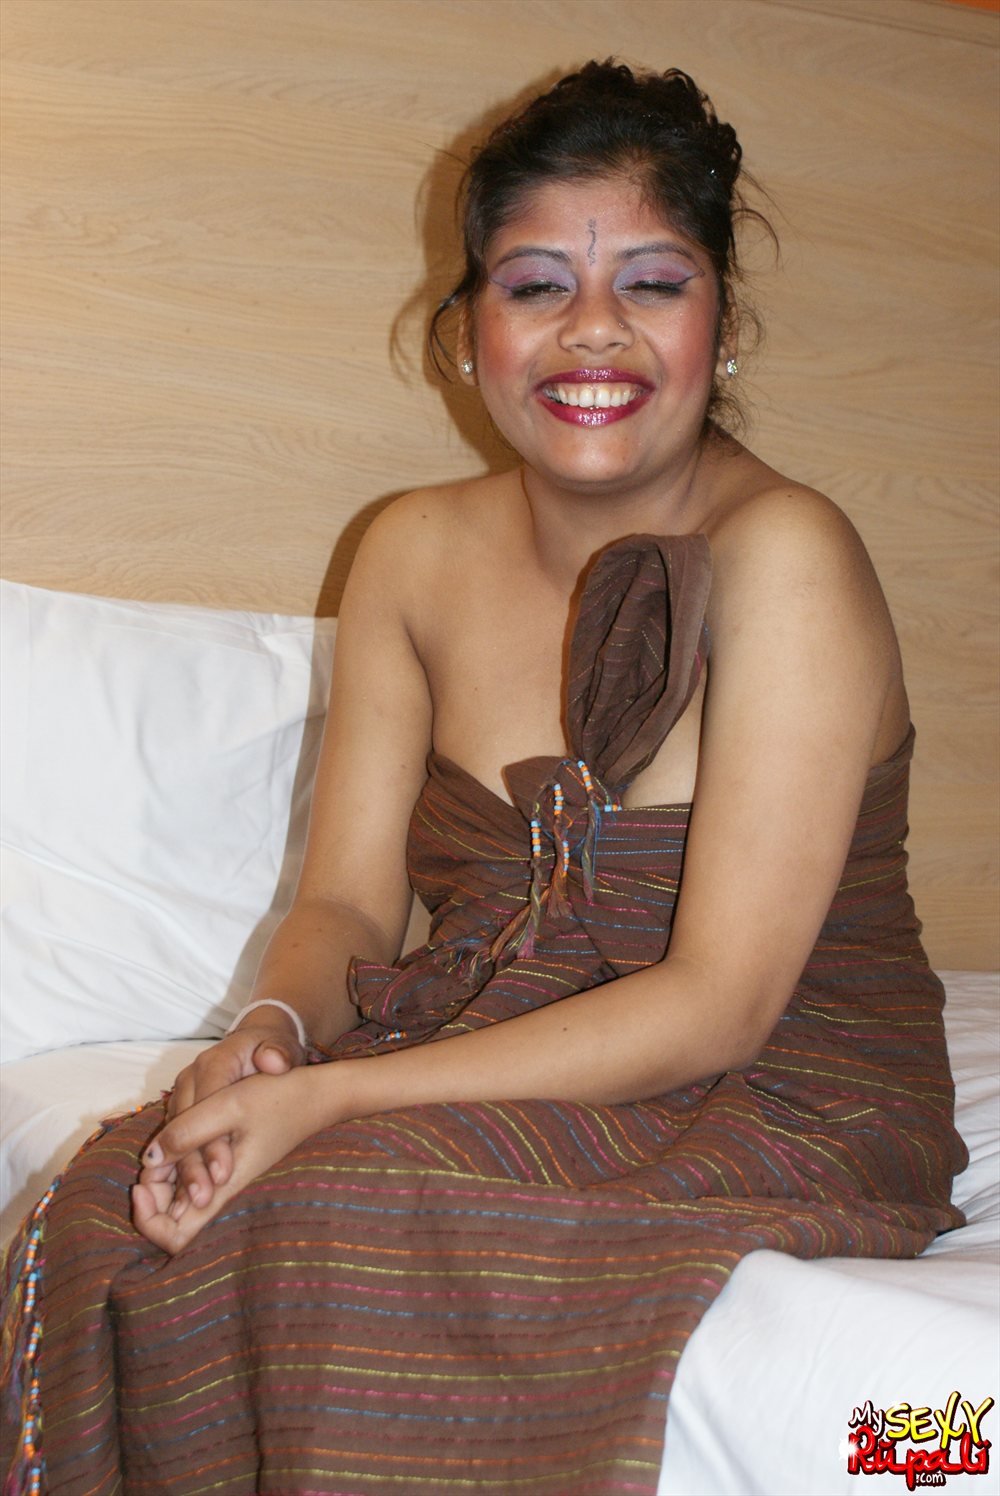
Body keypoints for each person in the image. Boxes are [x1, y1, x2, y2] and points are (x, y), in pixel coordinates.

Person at [2, 61, 966, 1496]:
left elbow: (721, 1002)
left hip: (774, 1078)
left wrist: (338, 1106)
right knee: (112, 1207)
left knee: (335, 1216)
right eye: (536, 286)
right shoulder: (409, 551)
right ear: (466, 334)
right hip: (481, 1032)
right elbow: (347, 905)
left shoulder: (789, 556)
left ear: (725, 326)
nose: (595, 329)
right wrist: (273, 1033)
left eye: (653, 282)